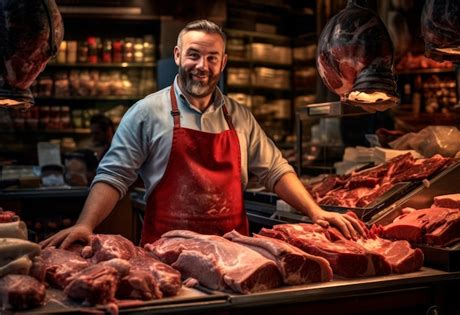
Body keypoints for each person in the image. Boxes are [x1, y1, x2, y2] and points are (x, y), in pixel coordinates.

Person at [41, 20, 365, 249]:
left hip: (235, 255)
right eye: (194, 55)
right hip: (167, 254)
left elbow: (276, 170)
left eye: (212, 58)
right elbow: (113, 177)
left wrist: (315, 212)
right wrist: (86, 223)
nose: (202, 66)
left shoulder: (239, 116)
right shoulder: (146, 112)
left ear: (223, 62)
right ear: (178, 55)